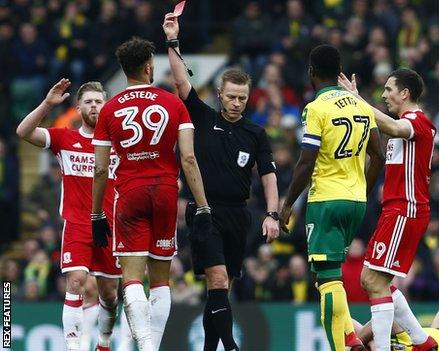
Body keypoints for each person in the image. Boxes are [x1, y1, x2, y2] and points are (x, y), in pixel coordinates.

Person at [163, 14, 280, 351]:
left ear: (248, 97)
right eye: (231, 97)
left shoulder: (255, 133)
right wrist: (173, 41)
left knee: (220, 290)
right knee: (216, 279)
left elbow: (269, 175)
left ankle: (209, 349)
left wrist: (272, 215)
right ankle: (231, 346)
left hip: (237, 215)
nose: (236, 103)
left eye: (242, 98)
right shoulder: (202, 117)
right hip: (205, 211)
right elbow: (181, 83)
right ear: (220, 93)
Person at [91, 36, 211, 351]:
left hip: (129, 193)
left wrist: (95, 214)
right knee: (160, 281)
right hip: (165, 193)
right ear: (149, 66)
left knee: (131, 278)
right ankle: (151, 348)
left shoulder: (109, 109)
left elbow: (101, 169)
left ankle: (144, 345)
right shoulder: (173, 103)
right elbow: (188, 159)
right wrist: (203, 207)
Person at [280, 44, 385, 351]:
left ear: (311, 72)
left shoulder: (315, 109)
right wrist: (362, 189)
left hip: (326, 200)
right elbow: (378, 155)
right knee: (333, 275)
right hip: (356, 201)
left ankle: (338, 347)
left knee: (326, 281)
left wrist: (286, 205)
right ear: (339, 71)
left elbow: (306, 163)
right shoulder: (361, 105)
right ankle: (351, 341)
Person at [16, 79, 120, 351]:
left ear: (106, 106)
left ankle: (104, 343)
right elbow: (23, 131)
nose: (94, 106)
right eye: (88, 101)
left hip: (110, 228)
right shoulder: (65, 138)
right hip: (77, 225)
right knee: (75, 281)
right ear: (79, 107)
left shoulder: (120, 143)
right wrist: (48, 104)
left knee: (110, 295)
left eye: (99, 101)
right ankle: (73, 346)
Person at [337, 69, 438, 351]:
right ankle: (421, 341)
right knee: (376, 282)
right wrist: (356, 99)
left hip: (405, 210)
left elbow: (393, 128)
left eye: (388, 89)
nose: (383, 95)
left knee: (372, 280)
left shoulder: (417, 122)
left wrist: (356, 101)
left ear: (405, 93)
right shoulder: (405, 124)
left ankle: (388, 347)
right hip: (394, 211)